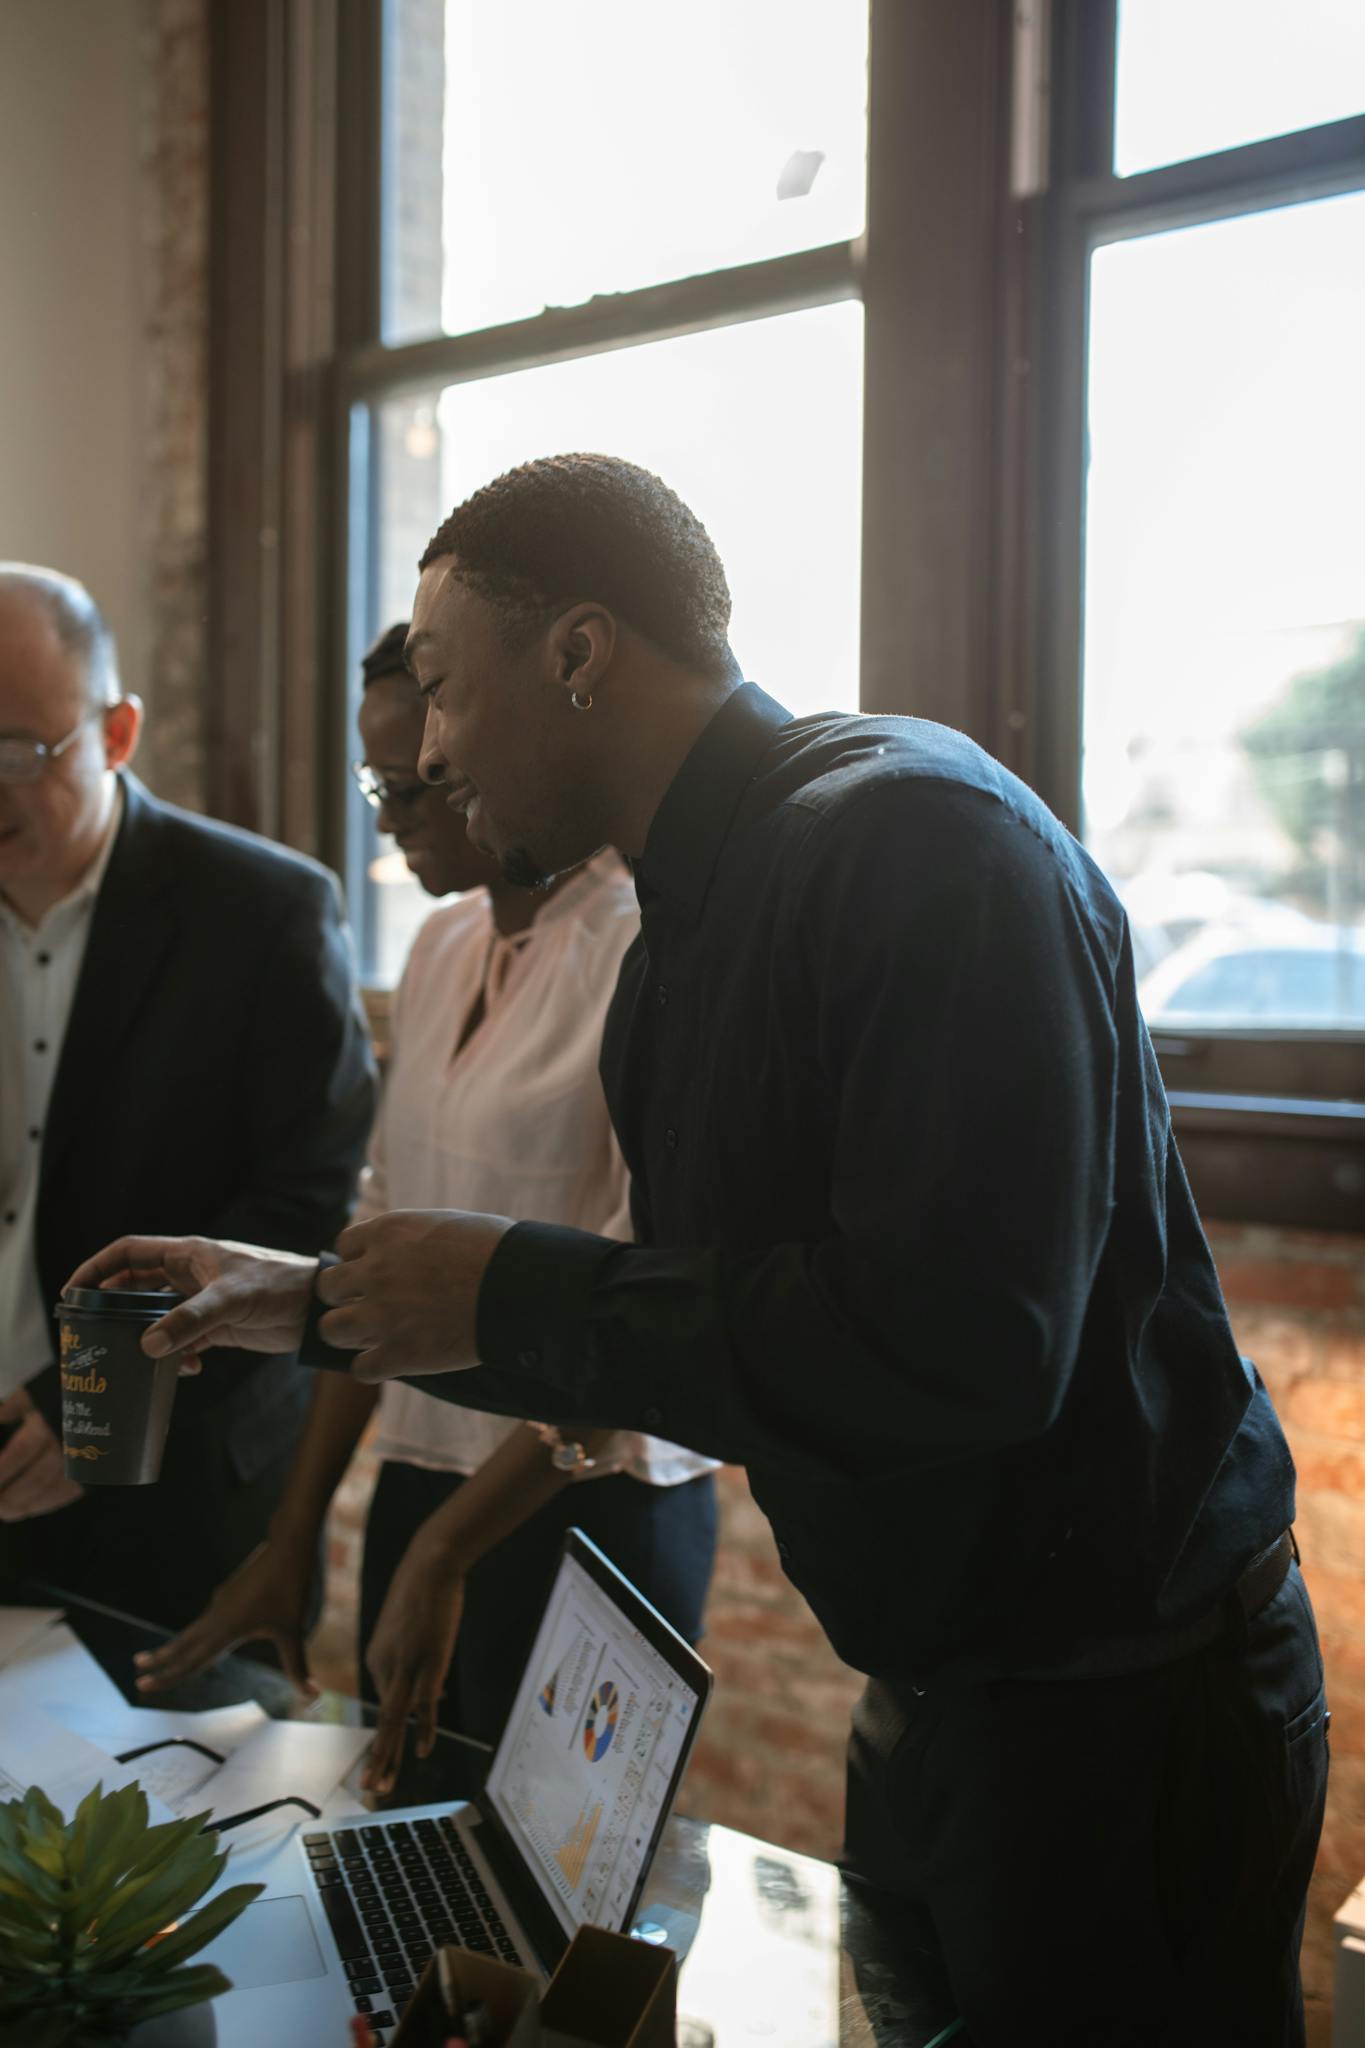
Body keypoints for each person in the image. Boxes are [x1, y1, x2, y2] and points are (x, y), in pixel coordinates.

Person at [71, 457, 1327, 2046]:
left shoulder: (917, 841)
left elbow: (966, 1340)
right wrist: (296, 1304)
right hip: (933, 1697)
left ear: (581, 653)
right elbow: (680, 1333)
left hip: (1122, 1707)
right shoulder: (677, 958)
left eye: (448, 691)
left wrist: (512, 1286)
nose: (434, 750)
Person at [129, 622, 717, 1789]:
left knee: (555, 1901)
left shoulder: (641, 949)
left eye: (419, 783)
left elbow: (635, 1285)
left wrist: (448, 1550)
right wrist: (291, 1535)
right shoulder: (441, 945)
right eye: (376, 782)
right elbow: (376, 1250)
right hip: (423, 1477)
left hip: (588, 1499)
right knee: (406, 1853)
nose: (391, 815)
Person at [0, 563, 374, 1626]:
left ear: (116, 733)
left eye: (18, 750)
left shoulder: (265, 914)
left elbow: (302, 1205)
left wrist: (95, 1400)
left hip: (177, 1475)